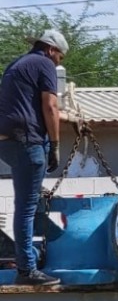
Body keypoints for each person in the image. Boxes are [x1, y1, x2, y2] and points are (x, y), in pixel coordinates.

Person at [0, 29, 68, 286]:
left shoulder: (17, 64)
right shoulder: (44, 64)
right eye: (59, 58)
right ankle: (27, 269)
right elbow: (50, 106)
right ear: (51, 50)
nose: (58, 63)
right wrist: (55, 144)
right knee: (27, 209)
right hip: (28, 141)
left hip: (7, 141)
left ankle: (31, 256)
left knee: (27, 203)